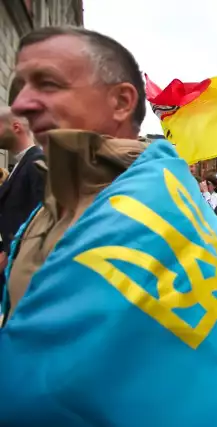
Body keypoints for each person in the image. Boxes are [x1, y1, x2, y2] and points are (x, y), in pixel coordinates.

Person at [4, 26, 148, 320]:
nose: (22, 105)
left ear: (120, 102)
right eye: (21, 90)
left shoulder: (149, 204)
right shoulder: (58, 191)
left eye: (48, 84)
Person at [0, 108, 46, 297]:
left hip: (25, 269)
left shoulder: (37, 162)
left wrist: (8, 254)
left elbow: (42, 219)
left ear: (16, 127)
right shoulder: (23, 163)